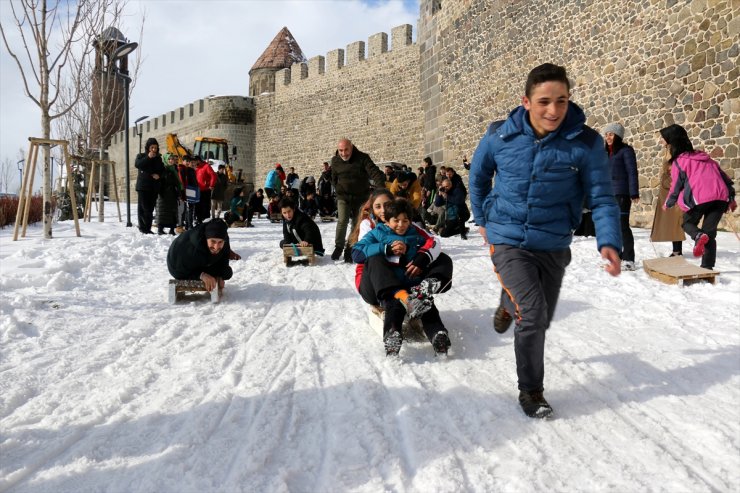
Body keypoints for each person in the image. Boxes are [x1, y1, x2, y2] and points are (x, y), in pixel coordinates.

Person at [469, 63, 622, 419]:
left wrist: (609, 242)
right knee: (534, 314)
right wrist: (482, 220)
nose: (553, 110)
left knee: (540, 315)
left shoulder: (585, 143)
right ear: (526, 101)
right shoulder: (499, 135)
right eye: (544, 102)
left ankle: (508, 303)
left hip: (553, 241)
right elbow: (478, 178)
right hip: (506, 237)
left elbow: (601, 197)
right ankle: (531, 391)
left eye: (562, 101)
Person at [351, 197, 453, 356]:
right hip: (384, 287)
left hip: (410, 283)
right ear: (387, 220)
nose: (401, 225)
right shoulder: (377, 232)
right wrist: (386, 249)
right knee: (393, 302)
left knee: (425, 300)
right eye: (396, 221)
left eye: (405, 220)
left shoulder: (414, 232)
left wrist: (422, 257)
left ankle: (438, 334)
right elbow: (356, 253)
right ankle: (392, 335)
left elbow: (434, 243)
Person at [661, 124, 736, 270]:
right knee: (709, 233)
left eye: (663, 139)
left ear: (672, 141)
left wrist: (668, 203)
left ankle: (697, 236)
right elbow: (725, 178)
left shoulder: (679, 162)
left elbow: (675, 187)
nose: (661, 142)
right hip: (721, 198)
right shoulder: (706, 158)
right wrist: (731, 198)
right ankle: (707, 267)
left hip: (700, 199)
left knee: (687, 223)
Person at [330, 138, 387, 262]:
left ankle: (350, 248)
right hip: (343, 196)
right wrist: (338, 188)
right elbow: (333, 178)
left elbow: (375, 173)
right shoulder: (335, 161)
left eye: (346, 150)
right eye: (341, 150)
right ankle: (338, 246)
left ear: (352, 147)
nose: (344, 153)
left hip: (361, 196)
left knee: (356, 223)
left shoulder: (363, 158)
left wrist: (380, 190)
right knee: (342, 220)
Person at [603, 122, 639, 270]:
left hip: (622, 194)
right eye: (606, 135)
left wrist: (634, 192)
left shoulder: (626, 151)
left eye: (611, 134)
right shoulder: (606, 153)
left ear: (618, 135)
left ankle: (629, 259)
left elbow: (632, 172)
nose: (608, 137)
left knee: (623, 226)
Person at [167, 219, 233, 293]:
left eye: (220, 242)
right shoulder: (189, 247)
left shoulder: (224, 238)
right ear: (206, 238)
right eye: (213, 241)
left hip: (203, 261)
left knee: (226, 272)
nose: (216, 247)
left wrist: (220, 276)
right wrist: (201, 275)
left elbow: (225, 256)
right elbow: (178, 272)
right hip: (178, 266)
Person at [650, 138, 685, 256]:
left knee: (676, 222)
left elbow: (675, 171)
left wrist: (668, 177)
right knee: (672, 222)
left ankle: (677, 251)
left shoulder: (675, 151)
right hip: (667, 191)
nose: (660, 140)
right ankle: (676, 250)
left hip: (673, 191)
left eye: (662, 138)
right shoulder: (668, 151)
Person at [134, 137, 165, 234]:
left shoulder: (158, 158)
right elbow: (138, 165)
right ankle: (145, 228)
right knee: (144, 208)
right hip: (143, 186)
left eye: (155, 148)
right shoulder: (141, 156)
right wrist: (148, 157)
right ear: (148, 148)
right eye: (152, 147)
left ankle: (145, 228)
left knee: (150, 208)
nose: (154, 150)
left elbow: (162, 170)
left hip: (154, 187)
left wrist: (159, 175)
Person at [156, 153, 183, 235]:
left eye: (172, 159)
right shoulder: (163, 169)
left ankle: (172, 229)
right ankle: (160, 229)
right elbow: (161, 181)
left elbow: (177, 182)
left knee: (173, 211)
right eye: (169, 159)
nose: (171, 161)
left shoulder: (174, 169)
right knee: (163, 211)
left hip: (172, 194)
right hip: (164, 194)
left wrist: (179, 191)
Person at [194, 156, 217, 225]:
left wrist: (211, 185)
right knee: (198, 206)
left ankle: (206, 220)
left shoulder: (206, 166)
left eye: (195, 161)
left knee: (205, 206)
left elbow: (213, 175)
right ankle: (199, 219)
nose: (194, 163)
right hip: (197, 190)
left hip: (205, 190)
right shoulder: (195, 168)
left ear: (198, 160)